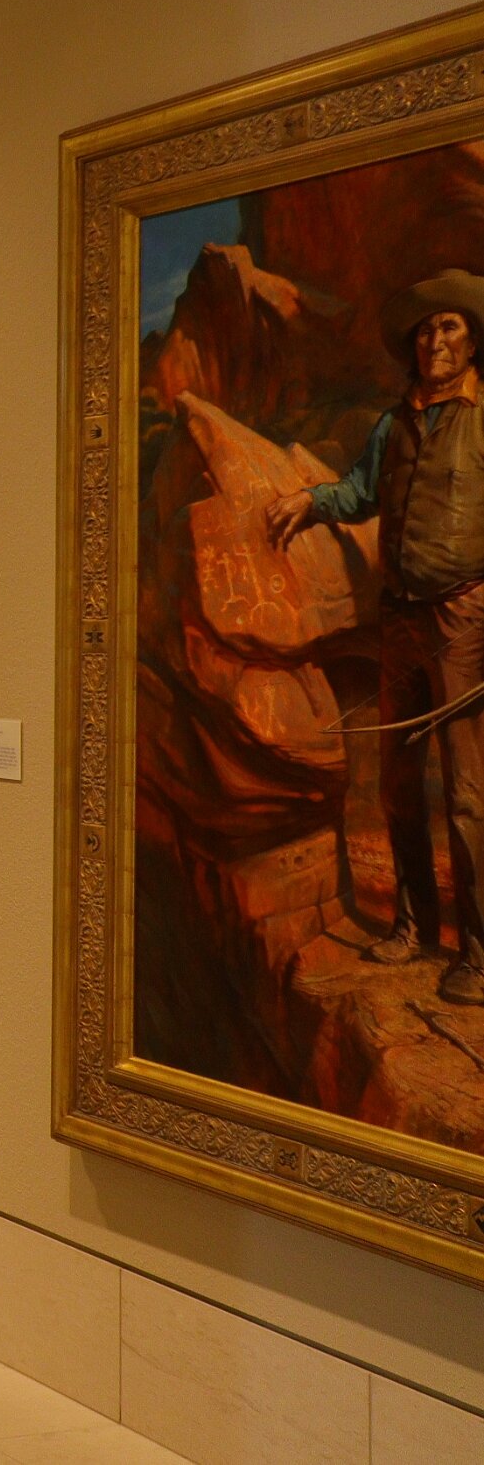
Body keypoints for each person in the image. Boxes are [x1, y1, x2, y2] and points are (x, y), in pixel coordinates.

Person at [267, 269, 484, 1005]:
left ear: (472, 341)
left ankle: (478, 955)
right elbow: (359, 491)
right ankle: (413, 928)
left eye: (448, 326)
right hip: (399, 620)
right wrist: (308, 500)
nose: (434, 340)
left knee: (466, 792)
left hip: (463, 620)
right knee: (396, 783)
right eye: (424, 330)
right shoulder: (395, 423)